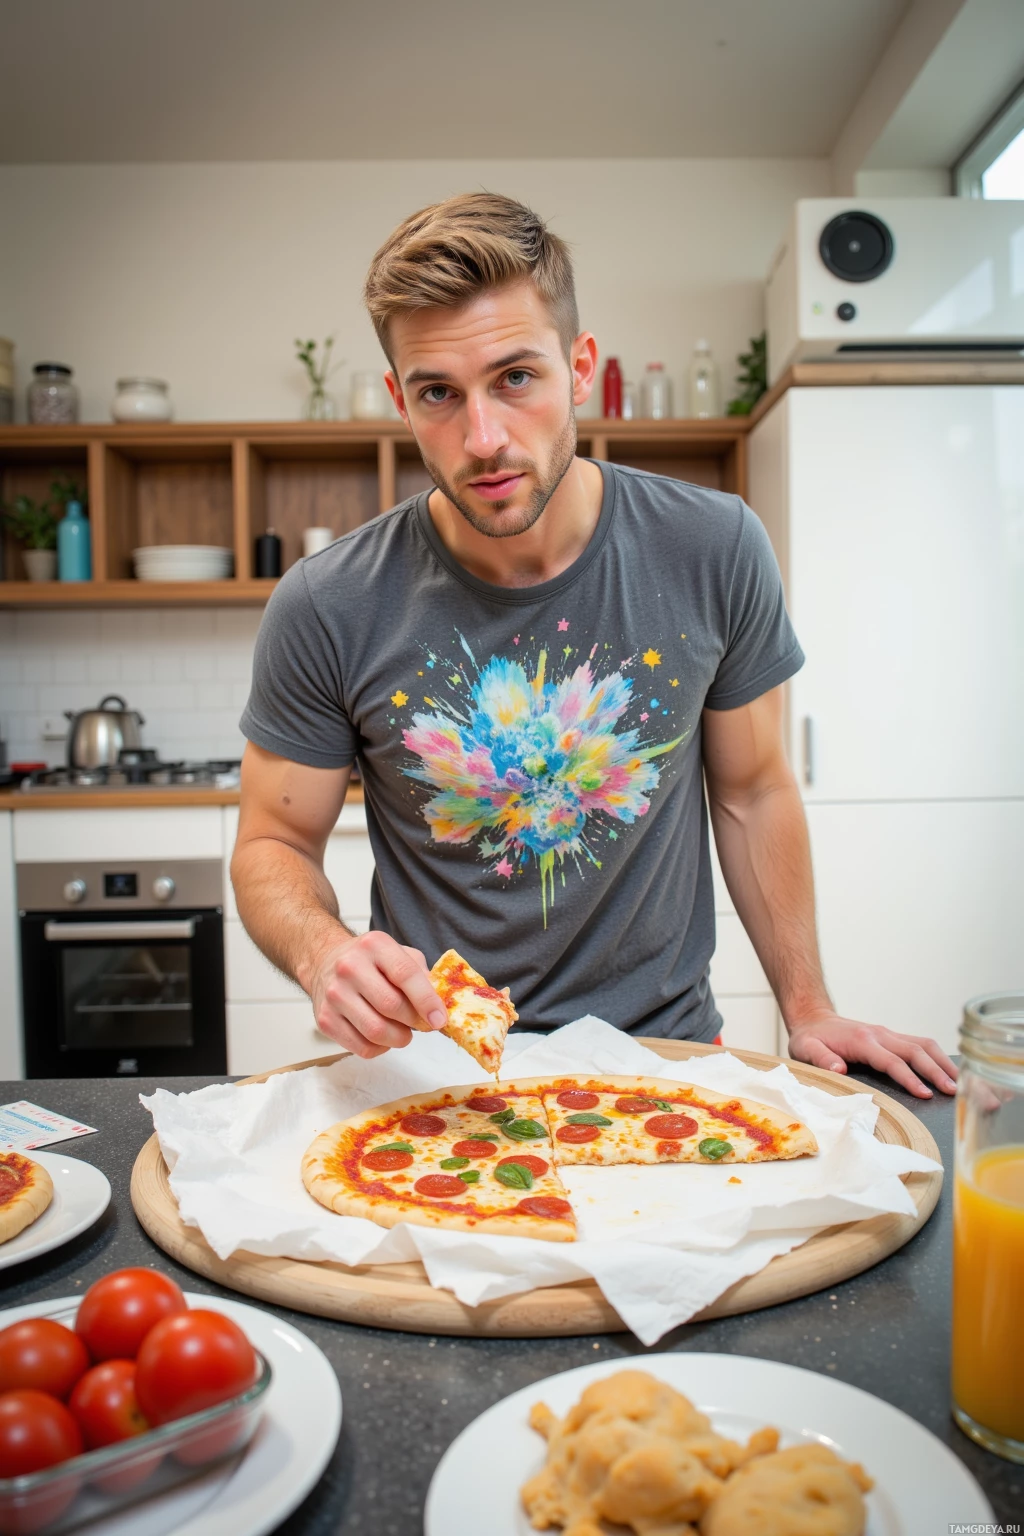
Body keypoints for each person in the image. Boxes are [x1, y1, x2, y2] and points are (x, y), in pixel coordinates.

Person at [232, 191, 956, 1101]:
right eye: (439, 395)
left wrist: (808, 1007)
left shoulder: (713, 546)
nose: (483, 437)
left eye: (516, 377)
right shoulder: (326, 602)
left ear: (580, 369)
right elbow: (272, 841)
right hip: (430, 1078)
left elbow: (754, 790)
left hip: (667, 1067)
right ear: (399, 399)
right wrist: (322, 952)